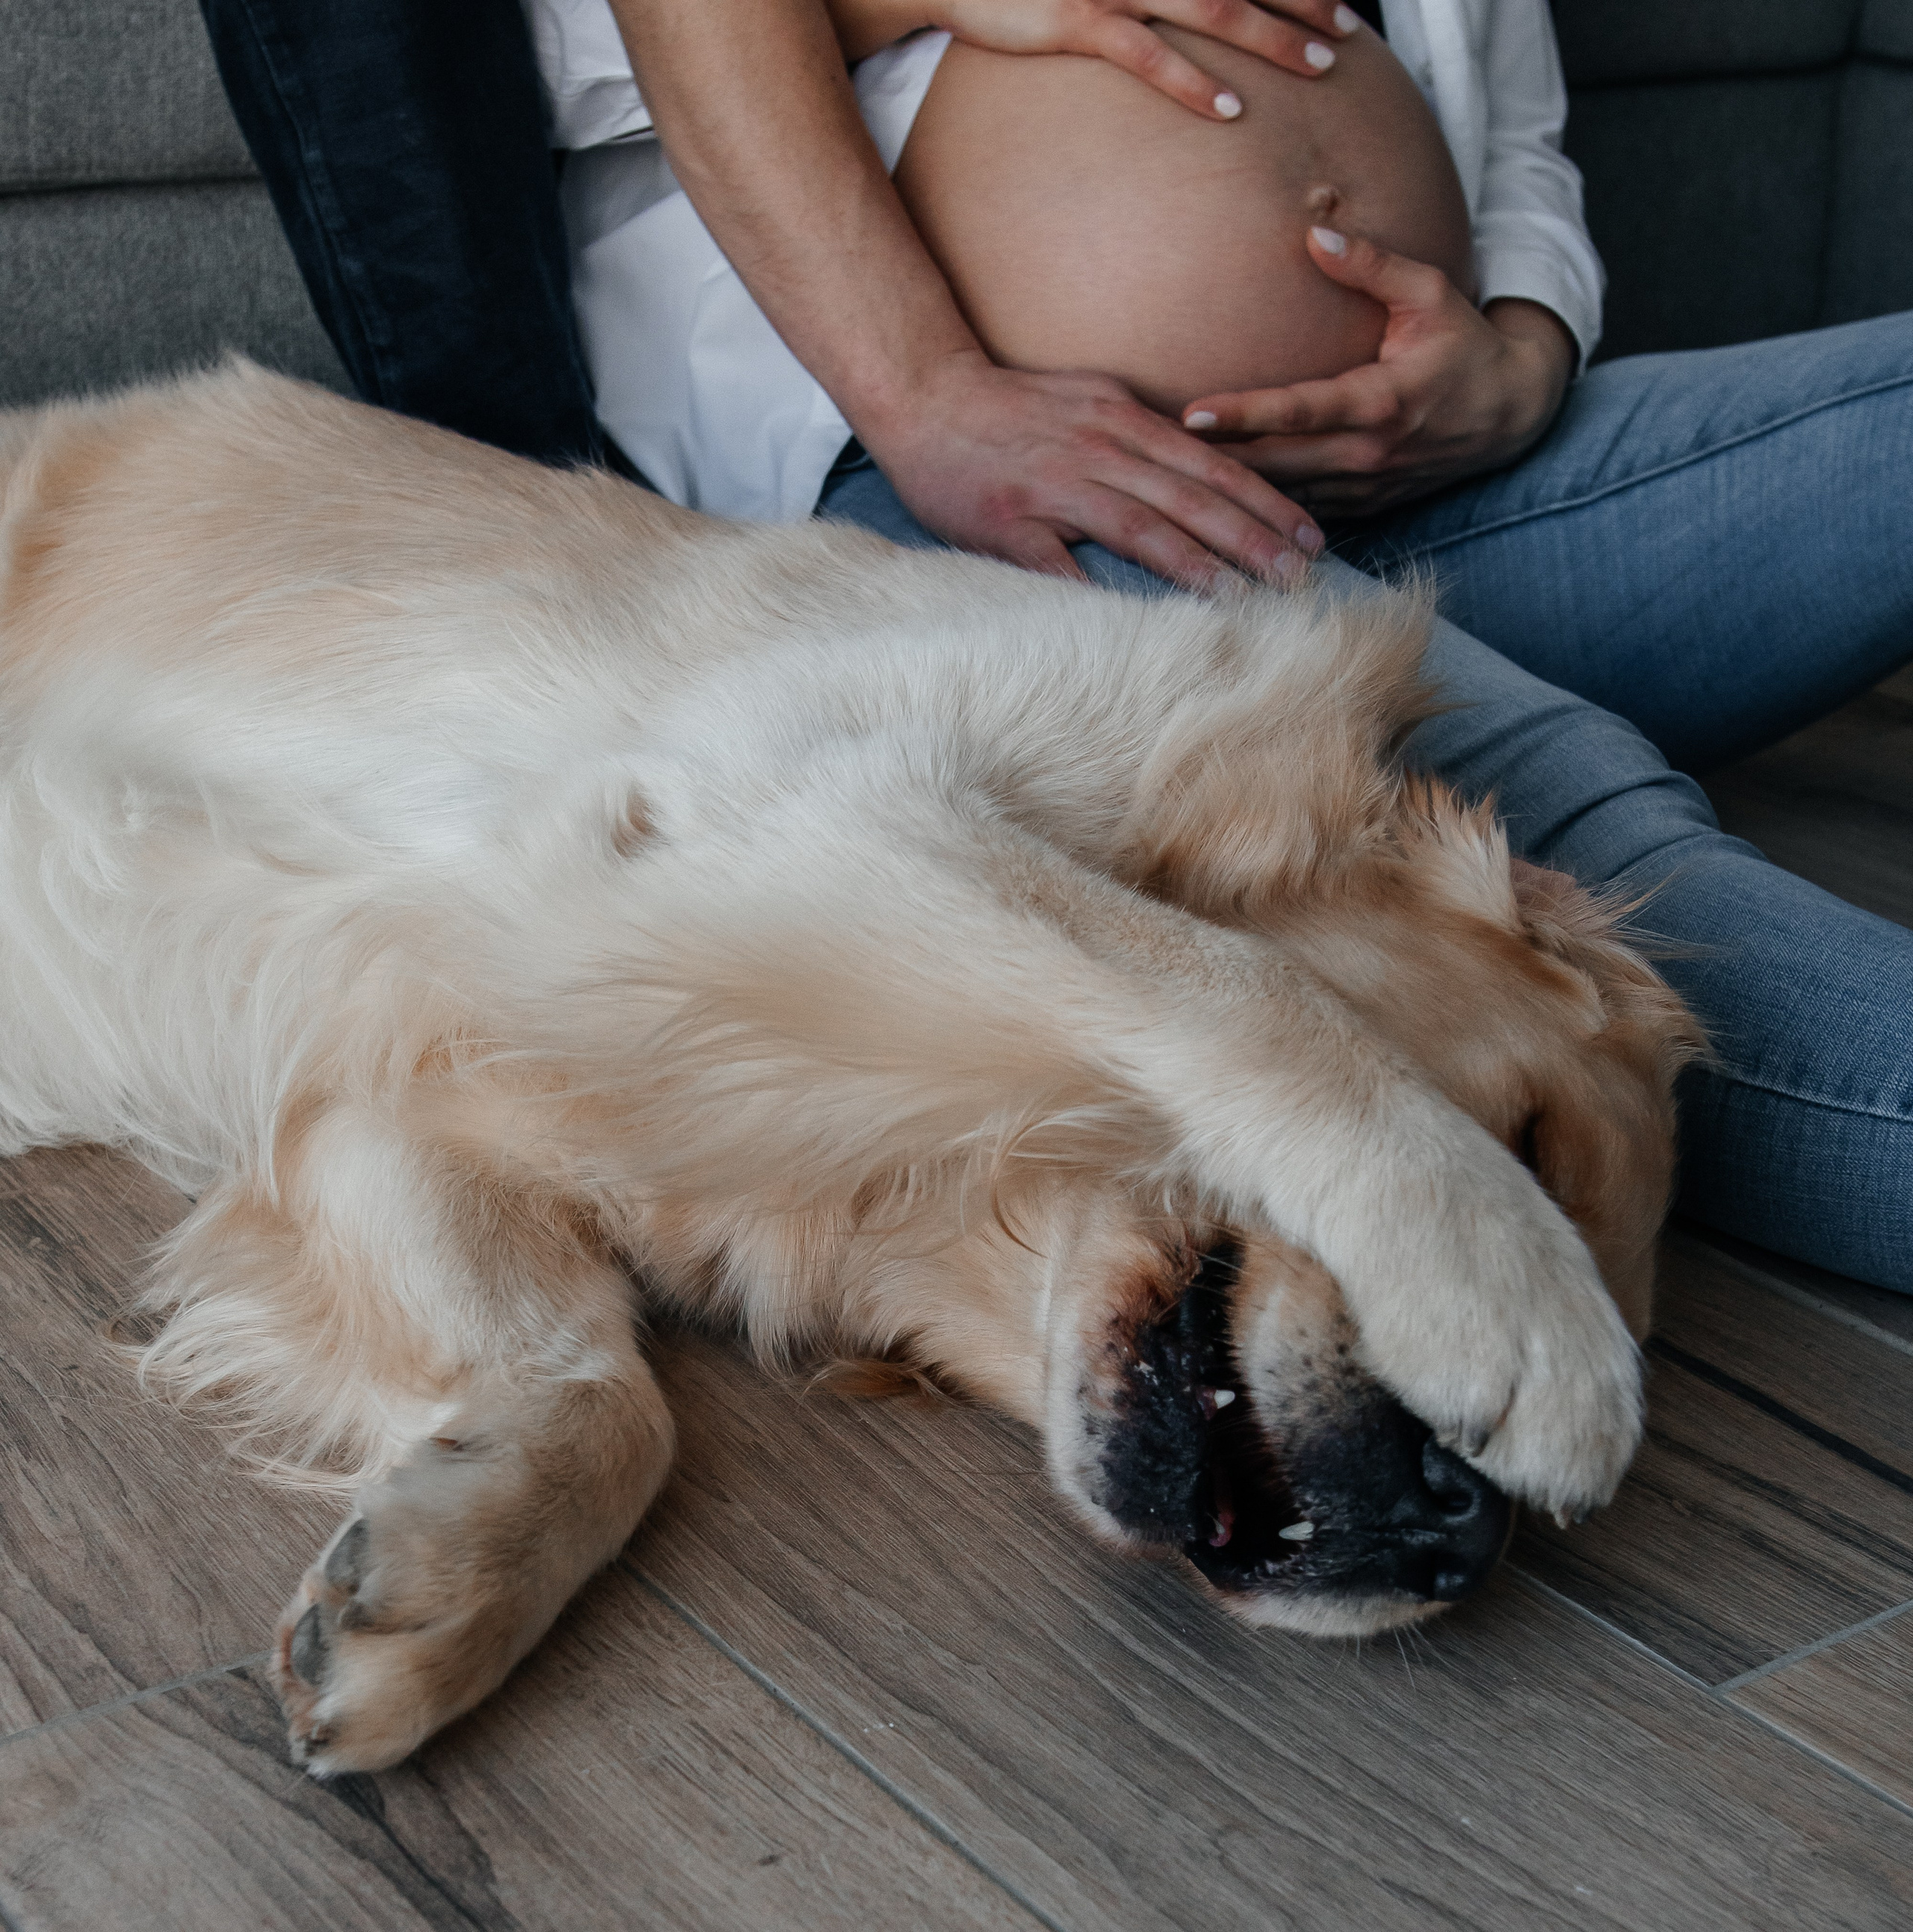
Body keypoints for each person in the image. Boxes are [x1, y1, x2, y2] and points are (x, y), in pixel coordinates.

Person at [197, 0, 1913, 1290]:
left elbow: (1513, 134)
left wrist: (1518, 354)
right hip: (980, 511)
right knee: (1559, 819)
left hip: (1458, 478)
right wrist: (927, 391)